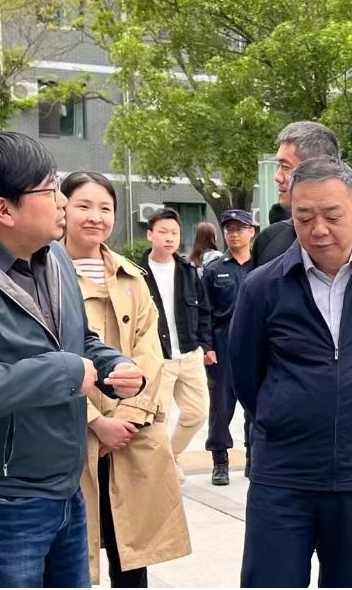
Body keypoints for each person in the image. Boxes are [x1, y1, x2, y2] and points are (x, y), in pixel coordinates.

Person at [0, 131, 146, 588]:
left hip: (63, 482)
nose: (63, 201)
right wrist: (65, 371)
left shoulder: (54, 256)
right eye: (49, 190)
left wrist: (110, 365)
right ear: (4, 210)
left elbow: (77, 339)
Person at [230, 157, 352, 588]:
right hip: (284, 477)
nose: (318, 229)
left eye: (332, 216)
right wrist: (287, 413)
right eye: (304, 218)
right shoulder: (262, 286)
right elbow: (246, 376)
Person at [61, 172, 191, 587]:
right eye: (83, 206)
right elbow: (41, 356)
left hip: (130, 433)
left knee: (131, 551)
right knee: (71, 556)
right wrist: (95, 422)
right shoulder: (43, 274)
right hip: (72, 434)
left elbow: (149, 353)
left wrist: (127, 418)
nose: (95, 217)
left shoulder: (131, 277)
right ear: (62, 209)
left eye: (105, 208)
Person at [250, 121, 352, 267]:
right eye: (304, 219)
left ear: (316, 168)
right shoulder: (269, 240)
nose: (277, 177)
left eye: (285, 167)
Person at [141, 208, 213, 477]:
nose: (169, 238)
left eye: (174, 233)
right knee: (157, 419)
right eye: (163, 232)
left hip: (189, 353)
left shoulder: (188, 270)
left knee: (197, 413)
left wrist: (205, 346)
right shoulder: (137, 273)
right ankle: (162, 470)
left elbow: (204, 310)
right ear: (150, 235)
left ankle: (170, 457)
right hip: (158, 357)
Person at [201, 210, 256, 485]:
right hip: (223, 342)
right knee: (221, 405)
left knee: (257, 404)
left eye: (240, 228)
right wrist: (207, 347)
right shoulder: (214, 269)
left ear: (252, 232)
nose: (234, 234)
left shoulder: (262, 265)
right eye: (229, 229)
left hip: (256, 341)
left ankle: (253, 457)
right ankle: (220, 461)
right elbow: (205, 312)